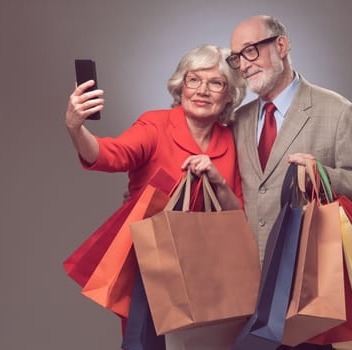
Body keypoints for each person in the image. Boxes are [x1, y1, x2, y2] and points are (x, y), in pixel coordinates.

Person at [65, 44, 247, 349]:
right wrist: (75, 129)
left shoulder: (233, 139)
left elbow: (240, 215)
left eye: (215, 83)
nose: (203, 90)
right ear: (181, 85)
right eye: (194, 80)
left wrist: (217, 181)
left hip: (212, 270)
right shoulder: (156, 124)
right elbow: (112, 155)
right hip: (152, 268)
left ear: (229, 94)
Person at [226, 15, 352, 349]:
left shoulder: (338, 111)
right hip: (248, 290)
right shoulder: (238, 120)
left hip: (309, 287)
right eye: (236, 57)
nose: (243, 65)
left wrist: (324, 174)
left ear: (281, 45)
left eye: (251, 51)